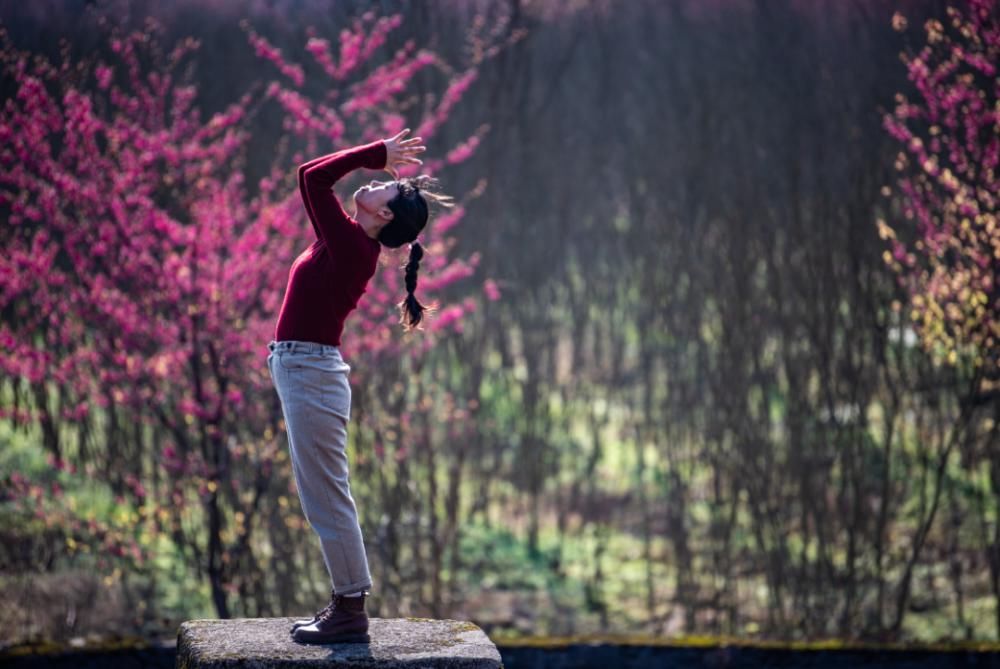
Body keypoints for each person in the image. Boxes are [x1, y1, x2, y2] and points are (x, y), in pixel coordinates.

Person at [266, 129, 453, 644]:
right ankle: (345, 600)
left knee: (327, 497)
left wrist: (376, 153)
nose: (373, 183)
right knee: (320, 495)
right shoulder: (349, 238)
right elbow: (314, 177)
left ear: (385, 216)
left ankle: (350, 609)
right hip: (304, 372)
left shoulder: (352, 246)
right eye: (380, 178)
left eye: (384, 187)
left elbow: (312, 176)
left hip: (311, 374)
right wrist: (376, 158)